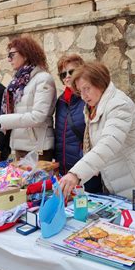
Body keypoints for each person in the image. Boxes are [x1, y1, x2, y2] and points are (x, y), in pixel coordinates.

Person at [58, 62, 135, 199]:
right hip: (121, 179)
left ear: (100, 83)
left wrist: (76, 174)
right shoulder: (93, 106)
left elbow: (108, 144)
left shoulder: (118, 105)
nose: (83, 96)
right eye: (80, 91)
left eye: (87, 88)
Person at [0, 36, 57, 161]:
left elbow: (38, 116)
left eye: (12, 55)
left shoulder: (43, 79)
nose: (8, 59)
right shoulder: (17, 82)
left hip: (38, 149)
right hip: (19, 146)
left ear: (26, 54)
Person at [54, 54, 103, 193]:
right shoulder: (61, 101)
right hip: (65, 168)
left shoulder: (89, 99)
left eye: (71, 72)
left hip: (87, 168)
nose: (67, 76)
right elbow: (59, 134)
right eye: (63, 74)